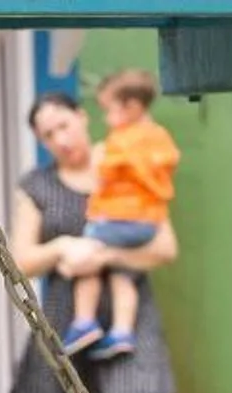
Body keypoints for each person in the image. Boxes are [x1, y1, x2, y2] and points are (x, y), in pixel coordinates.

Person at [6, 90, 176, 393]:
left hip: (128, 314)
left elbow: (164, 246)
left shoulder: (124, 162)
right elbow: (21, 259)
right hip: (68, 318)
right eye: (48, 134)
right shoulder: (35, 186)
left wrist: (103, 257)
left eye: (65, 124)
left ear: (83, 118)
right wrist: (63, 246)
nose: (61, 139)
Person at [61, 71, 180, 363]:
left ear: (132, 108)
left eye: (109, 111)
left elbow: (107, 170)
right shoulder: (159, 138)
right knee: (123, 274)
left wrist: (103, 161)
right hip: (147, 223)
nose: (106, 119)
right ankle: (122, 332)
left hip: (120, 218)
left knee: (87, 255)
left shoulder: (123, 141)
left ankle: (84, 321)